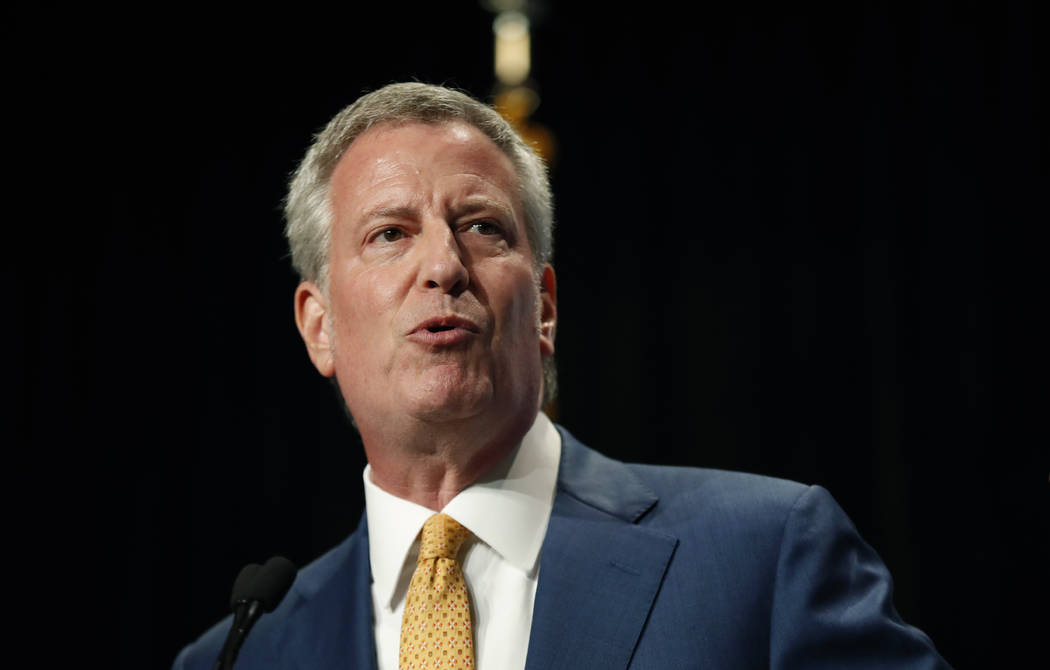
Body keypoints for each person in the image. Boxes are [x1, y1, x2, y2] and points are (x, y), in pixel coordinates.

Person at [174, 83, 951, 669]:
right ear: (320, 326)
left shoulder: (765, 555)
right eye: (389, 233)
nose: (443, 265)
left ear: (544, 309)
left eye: (482, 227)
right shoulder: (243, 651)